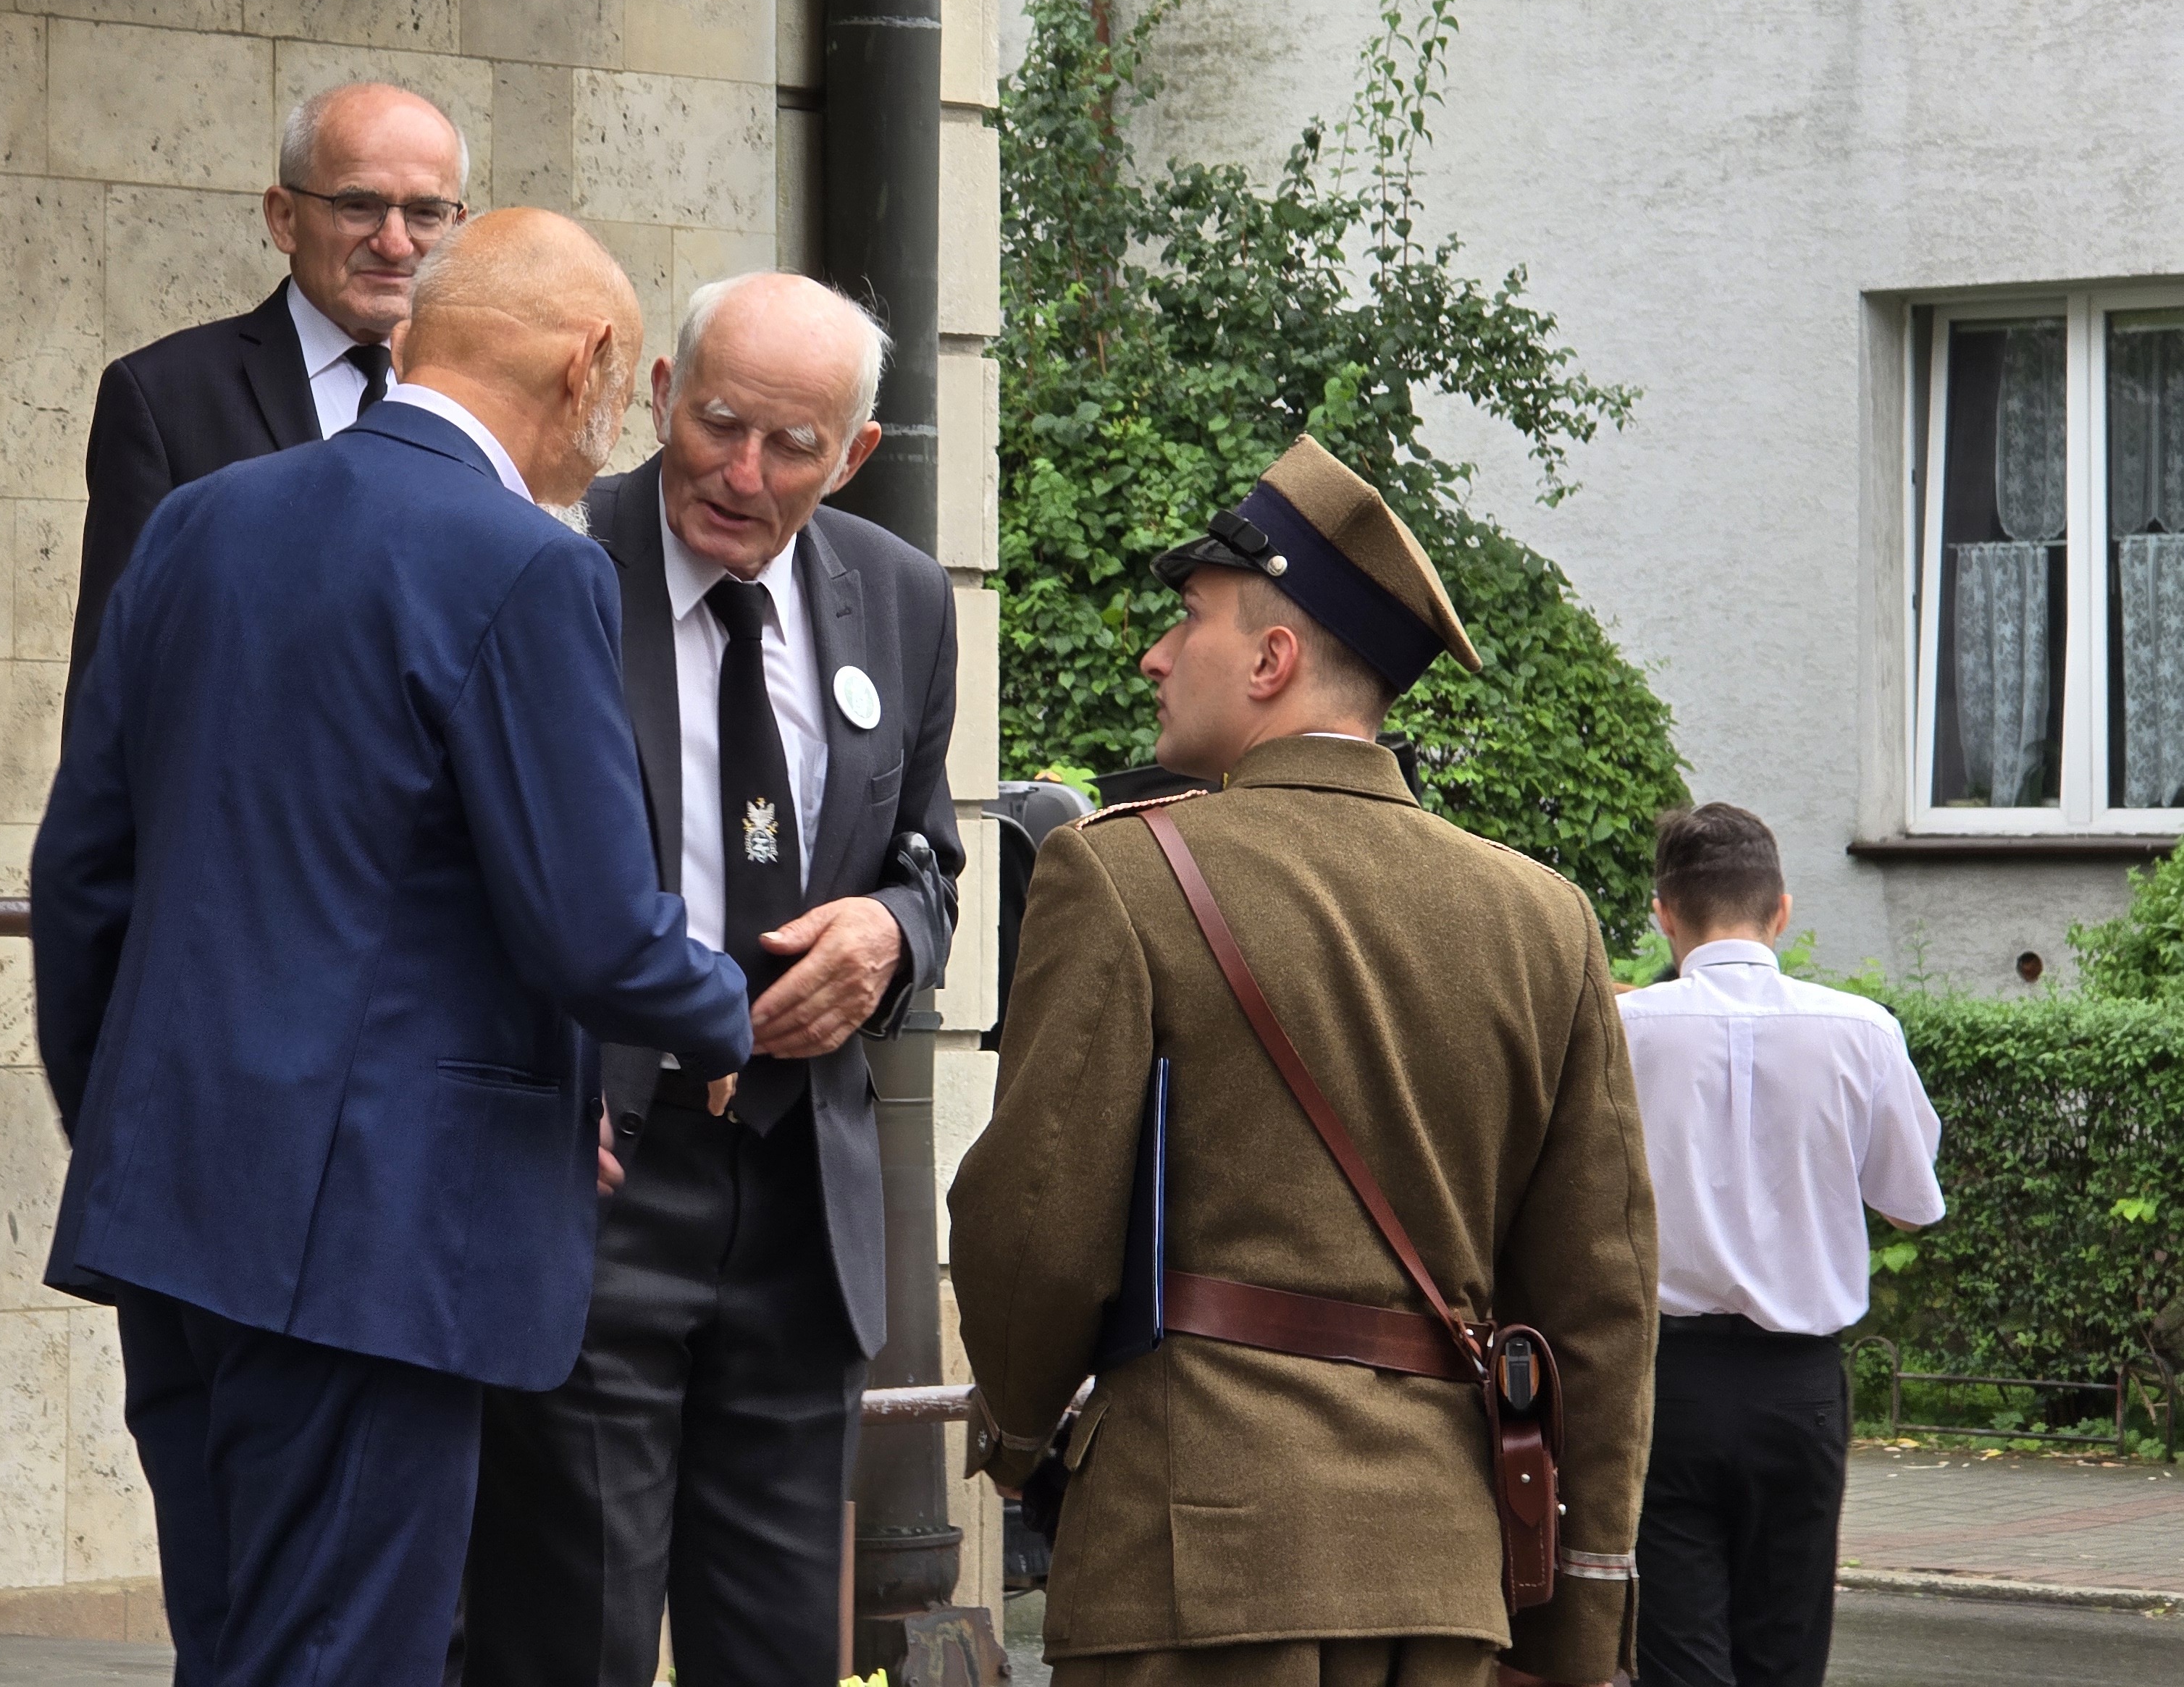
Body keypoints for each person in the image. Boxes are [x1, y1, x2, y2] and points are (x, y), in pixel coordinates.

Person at [32, 209, 755, 1687]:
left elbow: (82, 875)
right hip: (376, 1235)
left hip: (172, 1202)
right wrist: (723, 1010)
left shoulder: (201, 521)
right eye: (622, 392)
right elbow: (592, 929)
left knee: (235, 1652)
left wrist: (126, 1115)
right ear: (589, 364)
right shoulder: (528, 566)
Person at [949, 434, 1659, 1687]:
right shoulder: (1545, 920)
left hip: (1189, 1570)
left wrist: (1013, 1435)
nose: (1156, 654)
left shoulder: (1120, 875)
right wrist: (1581, 1611)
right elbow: (1597, 1304)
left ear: (1272, 660)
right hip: (1444, 1578)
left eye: (1190, 617)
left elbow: (1034, 1229)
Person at [466, 272, 966, 1687]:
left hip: (801, 1200)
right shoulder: (543, 557)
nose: (741, 474)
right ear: (661, 396)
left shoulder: (901, 598)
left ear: (852, 456)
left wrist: (890, 936)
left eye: (790, 446)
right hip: (596, 1175)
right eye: (718, 424)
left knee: (778, 1651)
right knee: (574, 1640)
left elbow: (929, 861)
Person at [1619, 804, 1944, 1687]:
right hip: (1799, 1388)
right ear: (1782, 911)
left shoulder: (1623, 1032)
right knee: (1785, 1656)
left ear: (1664, 915)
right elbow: (1911, 1208)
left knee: (1675, 1657)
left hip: (1667, 1384)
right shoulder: (1861, 1031)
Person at [67, 79, 469, 696]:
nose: (394, 243)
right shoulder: (166, 399)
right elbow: (113, 685)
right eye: (358, 206)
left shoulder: (479, 403)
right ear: (284, 218)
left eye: (425, 213)